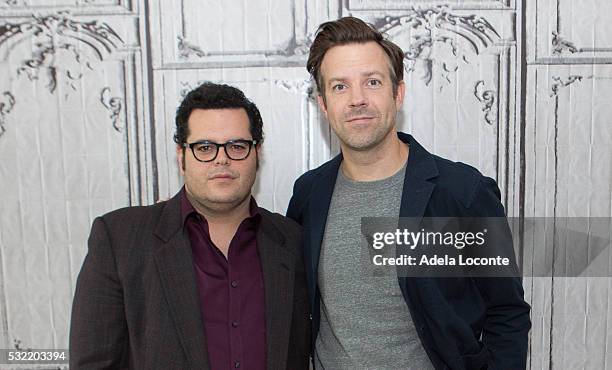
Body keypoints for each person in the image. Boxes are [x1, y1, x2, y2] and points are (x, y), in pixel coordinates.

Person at [286, 17, 531, 370]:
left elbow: (507, 312)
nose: (357, 100)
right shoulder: (308, 194)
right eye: (340, 87)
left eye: (372, 82)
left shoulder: (463, 193)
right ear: (323, 104)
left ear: (397, 93)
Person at [70, 82, 310, 369]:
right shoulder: (120, 239)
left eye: (237, 146)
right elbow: (95, 363)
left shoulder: (292, 241)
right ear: (182, 157)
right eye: (205, 147)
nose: (222, 159)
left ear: (257, 154)